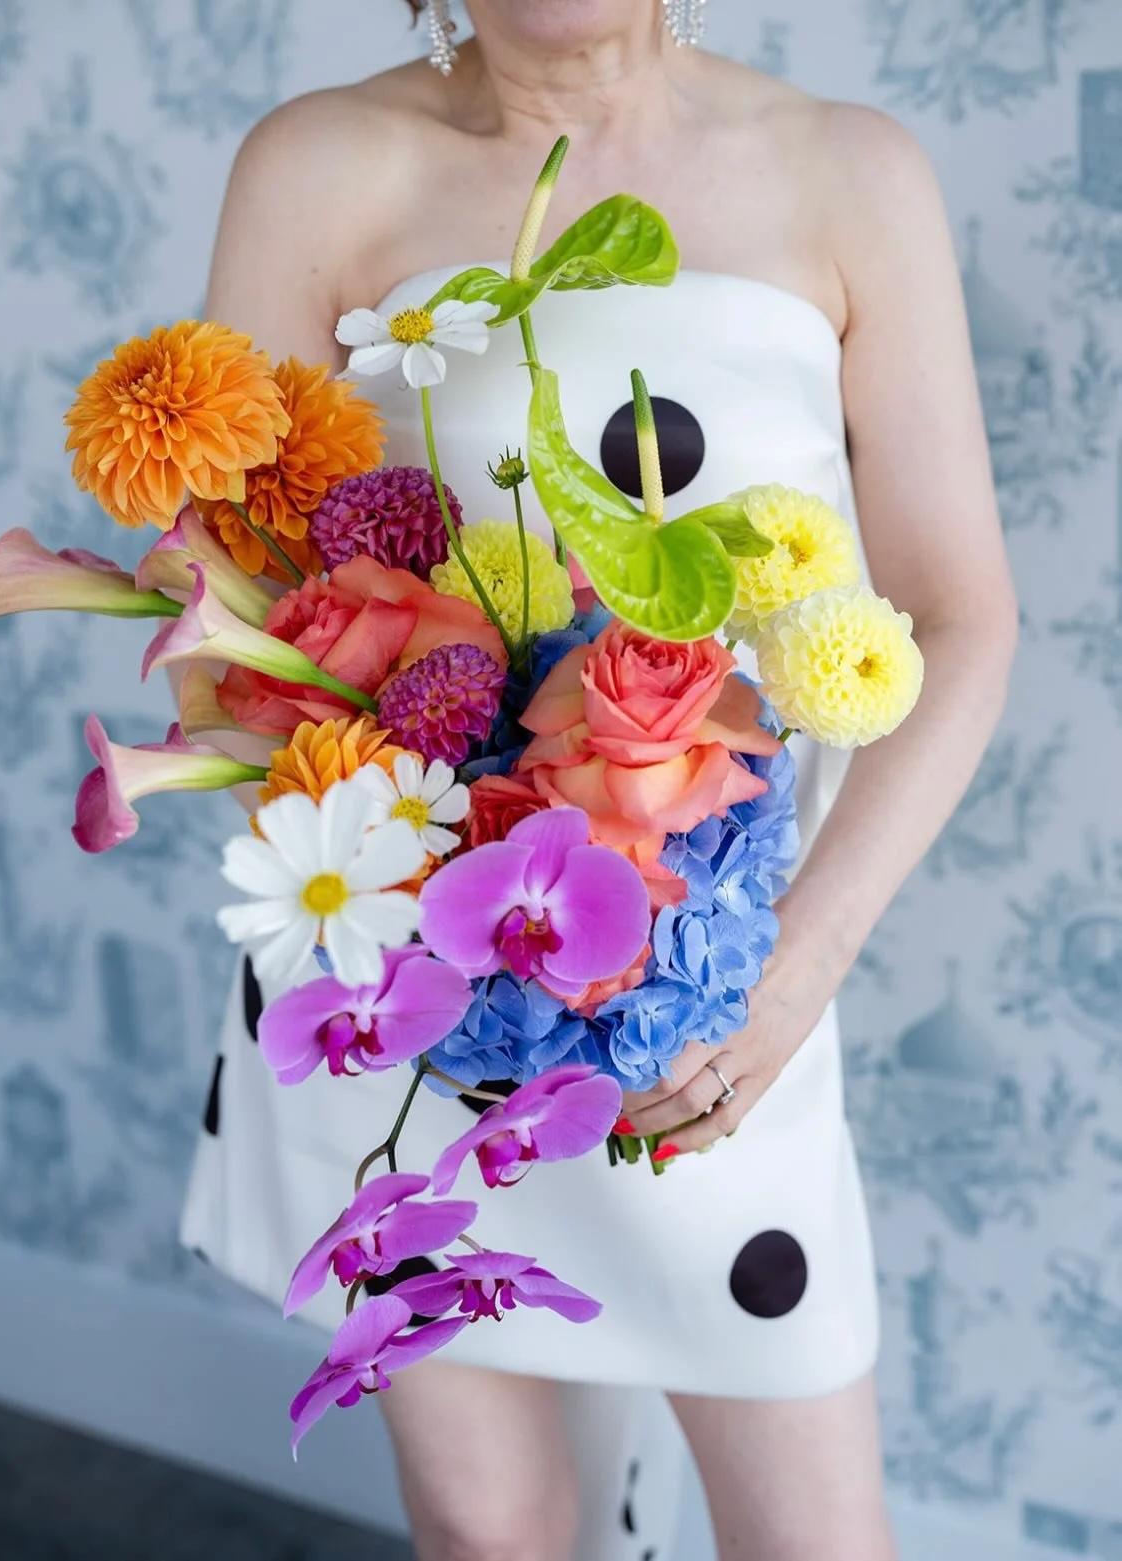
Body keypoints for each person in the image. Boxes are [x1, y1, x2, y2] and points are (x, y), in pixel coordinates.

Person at [180, 4, 1018, 1558]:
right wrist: (406, 903)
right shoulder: (316, 169)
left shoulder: (848, 175)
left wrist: (792, 967)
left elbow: (960, 617)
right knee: (494, 1530)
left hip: (727, 996)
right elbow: (224, 619)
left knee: (813, 1538)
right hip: (418, 1001)